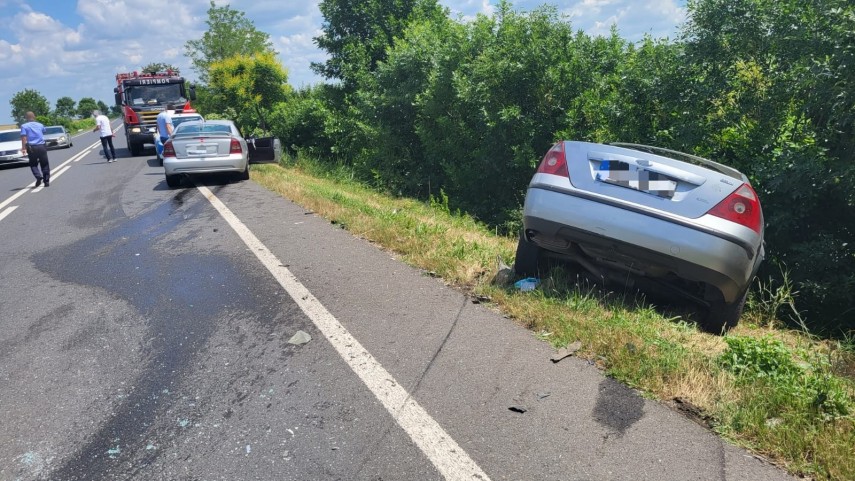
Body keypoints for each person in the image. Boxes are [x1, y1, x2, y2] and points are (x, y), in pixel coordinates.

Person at [20, 111, 50, 187]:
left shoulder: (24, 126)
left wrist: (23, 148)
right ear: (34, 116)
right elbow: (44, 131)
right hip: (41, 146)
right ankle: (46, 181)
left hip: (31, 147)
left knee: (33, 164)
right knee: (44, 163)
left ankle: (38, 176)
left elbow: (24, 137)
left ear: (26, 118)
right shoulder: (40, 125)